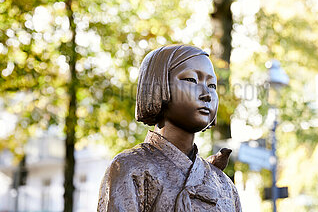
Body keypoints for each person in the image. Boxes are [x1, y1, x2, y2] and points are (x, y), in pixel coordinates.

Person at [98, 45, 241, 212]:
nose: (207, 94)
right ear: (158, 87)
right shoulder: (130, 169)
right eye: (191, 80)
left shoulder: (223, 184)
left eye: (212, 85)